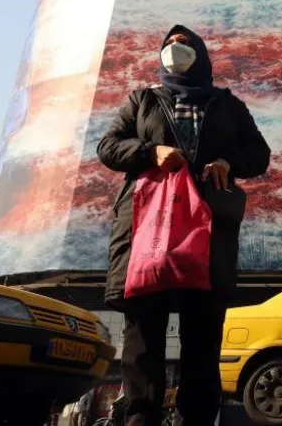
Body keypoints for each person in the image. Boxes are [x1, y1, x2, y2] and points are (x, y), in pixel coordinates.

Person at [98, 25, 271, 426]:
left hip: (206, 233)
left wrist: (229, 161)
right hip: (146, 233)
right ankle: (141, 418)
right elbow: (108, 147)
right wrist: (149, 152)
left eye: (184, 45)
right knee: (142, 339)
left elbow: (259, 154)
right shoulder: (142, 100)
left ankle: (196, 418)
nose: (175, 51)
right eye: (169, 46)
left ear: (202, 54)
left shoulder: (227, 105)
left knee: (201, 341)